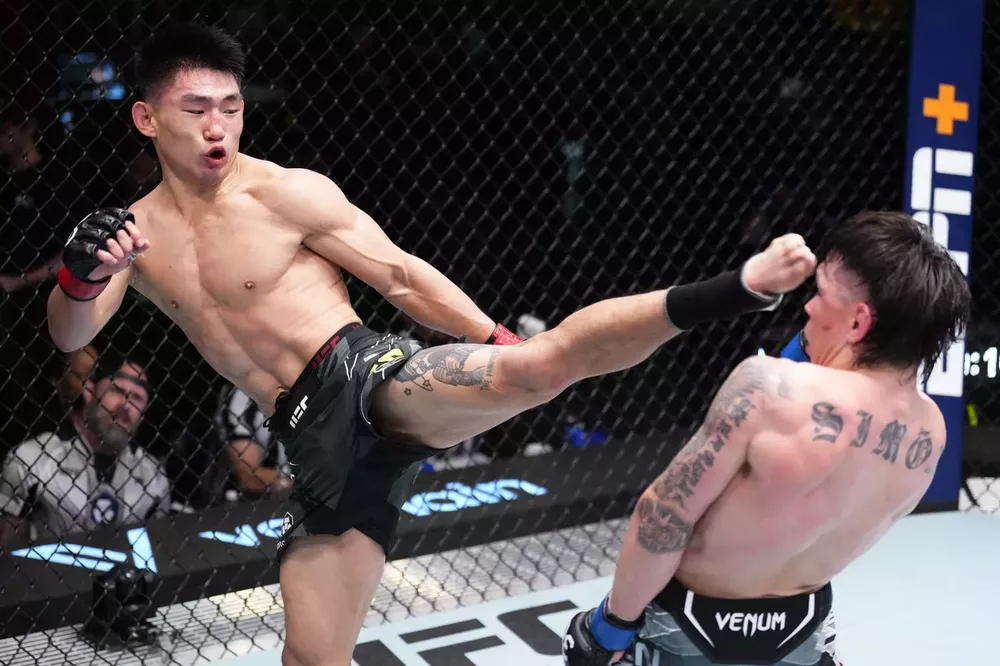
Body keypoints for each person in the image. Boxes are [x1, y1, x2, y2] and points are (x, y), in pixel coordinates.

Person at [44, 22, 815, 666]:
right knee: (312, 657)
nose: (218, 126)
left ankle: (734, 288)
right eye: (195, 109)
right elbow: (69, 331)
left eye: (231, 107)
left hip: (361, 377)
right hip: (311, 445)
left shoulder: (285, 191)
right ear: (147, 118)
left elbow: (401, 277)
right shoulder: (132, 235)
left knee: (537, 365)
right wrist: (81, 276)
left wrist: (492, 341)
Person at [562, 211, 971, 666]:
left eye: (820, 295)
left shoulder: (765, 387)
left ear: (859, 322)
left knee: (586, 645)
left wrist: (612, 625)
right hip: (802, 633)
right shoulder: (928, 434)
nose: (808, 308)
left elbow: (664, 517)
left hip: (686, 625)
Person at [0, 359, 170, 545]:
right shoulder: (33, 459)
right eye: (117, 391)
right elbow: (7, 548)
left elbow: (160, 549)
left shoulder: (153, 477)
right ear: (89, 391)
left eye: (137, 397)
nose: (126, 405)